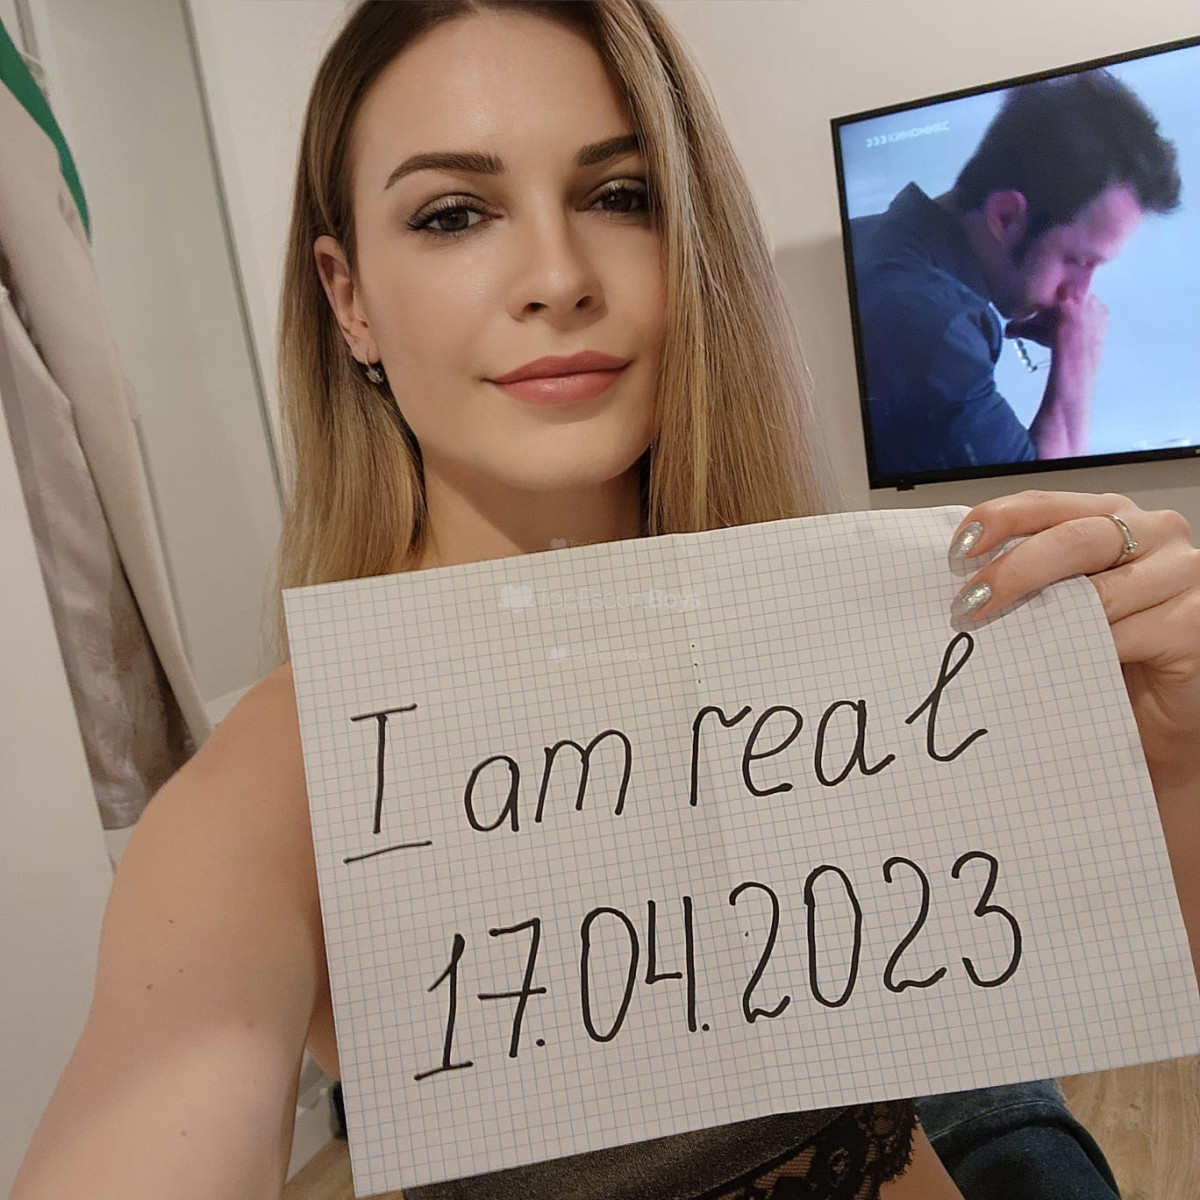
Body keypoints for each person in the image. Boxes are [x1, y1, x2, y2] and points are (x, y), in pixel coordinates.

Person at [11, 3, 1199, 1198]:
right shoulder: (286, 786)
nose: (558, 279)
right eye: (453, 214)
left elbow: (1137, 982)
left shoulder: (864, 652)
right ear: (349, 294)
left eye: (621, 196)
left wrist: (1175, 765)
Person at [850, 70, 1182, 480]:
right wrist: (1077, 360)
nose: (1079, 296)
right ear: (1006, 217)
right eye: (1078, 261)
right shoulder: (939, 331)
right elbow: (1047, 501)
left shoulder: (866, 239)